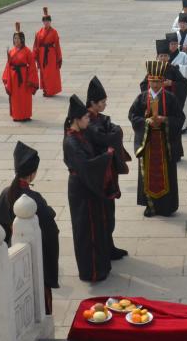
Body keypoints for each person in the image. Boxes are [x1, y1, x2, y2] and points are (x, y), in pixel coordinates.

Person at [0, 141, 59, 313]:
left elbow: (2, 228)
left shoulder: (6, 193)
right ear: (32, 173)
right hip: (33, 256)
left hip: (12, 254)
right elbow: (51, 230)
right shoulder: (34, 198)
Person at [63, 95, 115, 282]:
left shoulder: (80, 134)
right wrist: (106, 157)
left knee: (97, 226)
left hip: (87, 185)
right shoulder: (71, 141)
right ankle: (91, 271)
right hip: (81, 189)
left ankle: (101, 266)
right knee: (86, 229)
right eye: (85, 118)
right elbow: (85, 165)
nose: (88, 120)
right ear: (76, 120)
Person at [129, 60, 184, 217]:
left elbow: (180, 118)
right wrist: (146, 122)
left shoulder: (170, 98)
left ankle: (167, 206)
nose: (155, 85)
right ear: (148, 81)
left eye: (158, 81)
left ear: (162, 81)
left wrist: (165, 120)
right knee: (148, 174)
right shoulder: (142, 98)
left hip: (165, 142)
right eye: (152, 81)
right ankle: (150, 205)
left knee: (166, 174)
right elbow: (132, 116)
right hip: (147, 142)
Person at [85, 76, 131, 260]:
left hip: (107, 171)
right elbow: (108, 136)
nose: (105, 105)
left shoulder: (99, 118)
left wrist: (113, 132)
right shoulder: (87, 121)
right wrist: (114, 133)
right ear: (93, 103)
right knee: (102, 214)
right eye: (102, 102)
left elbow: (114, 129)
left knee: (109, 212)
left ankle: (109, 246)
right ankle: (103, 249)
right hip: (99, 175)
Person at [3, 22, 39, 121]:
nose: (16, 40)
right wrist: (6, 79)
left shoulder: (27, 51)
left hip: (24, 78)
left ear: (22, 39)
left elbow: (32, 66)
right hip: (13, 78)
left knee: (25, 97)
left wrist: (31, 79)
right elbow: (8, 65)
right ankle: (17, 115)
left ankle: (26, 115)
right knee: (15, 97)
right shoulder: (11, 51)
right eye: (15, 38)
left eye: (18, 38)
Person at [32, 7, 62, 97]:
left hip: (51, 55)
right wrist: (34, 56)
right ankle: (45, 89)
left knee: (50, 73)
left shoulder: (54, 32)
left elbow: (57, 45)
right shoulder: (39, 32)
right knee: (43, 73)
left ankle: (50, 90)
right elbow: (36, 45)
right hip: (42, 55)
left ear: (50, 22)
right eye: (45, 21)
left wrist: (59, 57)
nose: (46, 23)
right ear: (43, 22)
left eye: (48, 21)